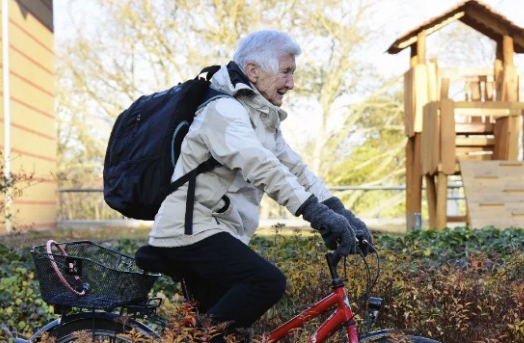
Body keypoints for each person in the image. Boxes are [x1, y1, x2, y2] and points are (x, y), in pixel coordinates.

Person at [135, 29, 373, 342]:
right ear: (253, 71)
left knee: (228, 335)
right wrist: (313, 212)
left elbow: (296, 169)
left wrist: (340, 211)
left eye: (293, 73)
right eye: (286, 72)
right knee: (267, 283)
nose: (291, 83)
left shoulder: (259, 118)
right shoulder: (223, 112)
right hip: (189, 230)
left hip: (215, 230)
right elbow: (261, 166)